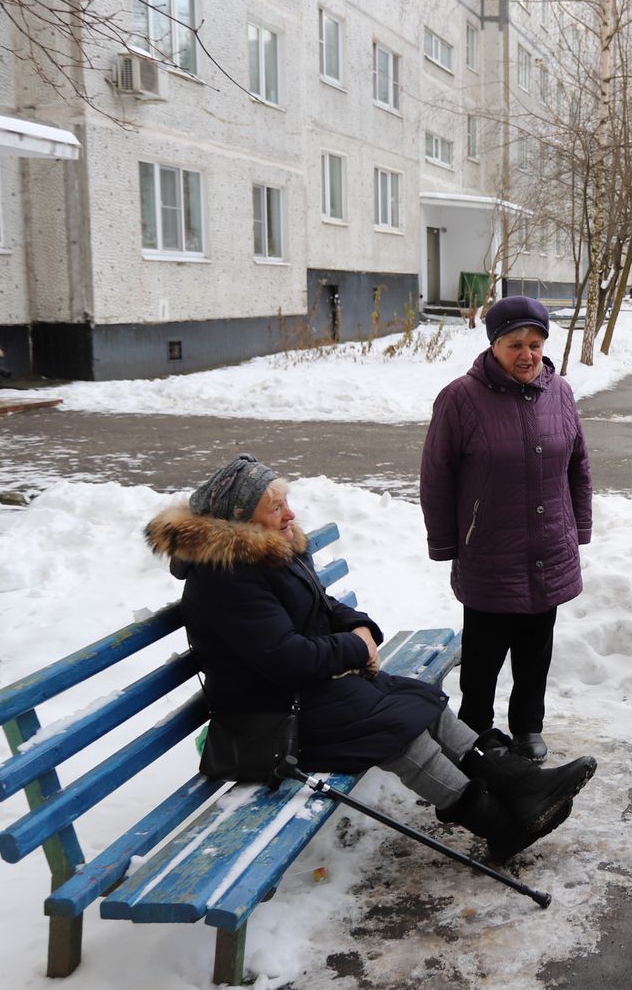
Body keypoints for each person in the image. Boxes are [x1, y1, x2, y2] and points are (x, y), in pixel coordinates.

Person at [144, 454, 596, 863]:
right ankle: (499, 824)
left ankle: (521, 784)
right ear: (240, 520)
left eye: (286, 501)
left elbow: (321, 608)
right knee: (395, 730)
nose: (290, 513)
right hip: (271, 718)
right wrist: (357, 647)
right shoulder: (228, 579)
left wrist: (362, 628)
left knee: (422, 701)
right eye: (275, 506)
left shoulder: (262, 557)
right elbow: (286, 659)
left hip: (304, 693)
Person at [421, 295, 592, 763]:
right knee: (483, 655)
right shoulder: (460, 398)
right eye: (515, 344)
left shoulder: (560, 392)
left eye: (535, 344)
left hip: (548, 544)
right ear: (494, 345)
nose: (527, 355)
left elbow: (578, 464)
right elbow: (437, 476)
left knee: (536, 650)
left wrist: (577, 526)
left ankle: (528, 727)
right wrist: (447, 543)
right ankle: (474, 729)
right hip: (490, 549)